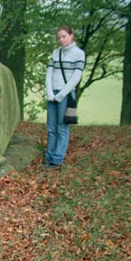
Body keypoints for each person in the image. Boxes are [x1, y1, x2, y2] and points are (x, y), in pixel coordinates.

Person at [44, 25, 85, 168]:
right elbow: (49, 73)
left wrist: (61, 95)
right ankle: (48, 158)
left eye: (64, 36)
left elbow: (76, 77)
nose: (61, 40)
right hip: (52, 93)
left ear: (71, 35)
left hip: (66, 94)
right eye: (59, 37)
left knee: (62, 128)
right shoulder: (56, 53)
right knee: (51, 128)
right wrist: (50, 93)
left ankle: (57, 160)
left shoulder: (79, 54)